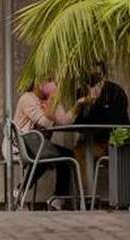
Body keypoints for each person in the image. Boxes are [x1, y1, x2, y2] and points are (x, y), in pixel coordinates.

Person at [13, 79, 90, 209]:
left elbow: (65, 121)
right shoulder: (27, 99)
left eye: (54, 80)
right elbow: (46, 123)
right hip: (24, 145)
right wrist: (53, 100)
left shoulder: (51, 99)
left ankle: (56, 198)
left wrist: (78, 105)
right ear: (38, 82)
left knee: (67, 156)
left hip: (40, 146)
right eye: (49, 80)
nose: (53, 83)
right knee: (51, 157)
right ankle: (22, 190)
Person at [73, 62, 130, 183]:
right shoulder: (81, 92)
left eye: (97, 74)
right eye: (88, 73)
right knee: (78, 150)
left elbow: (118, 122)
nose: (92, 76)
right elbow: (77, 123)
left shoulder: (114, 91)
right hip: (92, 141)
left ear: (103, 75)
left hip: (115, 140)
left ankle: (115, 194)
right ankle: (86, 196)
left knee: (83, 151)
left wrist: (96, 104)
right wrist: (86, 105)